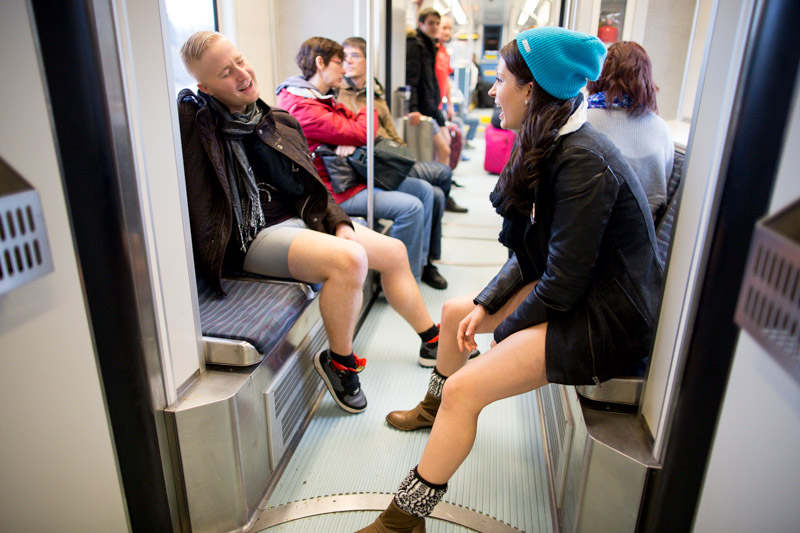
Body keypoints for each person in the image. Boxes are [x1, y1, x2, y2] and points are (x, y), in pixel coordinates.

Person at [356, 27, 664, 532]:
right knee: (456, 313)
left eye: (500, 80)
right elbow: (532, 252)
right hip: (579, 288)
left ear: (531, 89)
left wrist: (503, 334)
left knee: (466, 389)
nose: (492, 90)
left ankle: (403, 521)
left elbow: (562, 281)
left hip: (605, 316)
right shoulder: (550, 142)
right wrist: (486, 305)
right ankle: (433, 410)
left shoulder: (583, 161)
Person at [177, 31, 444, 413]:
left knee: (393, 251)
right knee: (350, 260)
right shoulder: (199, 127)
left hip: (301, 220)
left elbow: (311, 187)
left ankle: (431, 340)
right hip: (252, 239)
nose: (242, 74)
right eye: (225, 73)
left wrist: (340, 224)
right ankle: (341, 364)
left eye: (240, 61)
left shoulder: (276, 121)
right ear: (205, 88)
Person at [276, 37, 445, 296]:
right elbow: (362, 130)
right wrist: (362, 119)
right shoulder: (302, 106)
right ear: (320, 63)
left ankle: (419, 268)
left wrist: (352, 135)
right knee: (412, 206)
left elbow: (357, 127)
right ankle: (402, 283)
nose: (344, 68)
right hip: (334, 190)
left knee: (424, 190)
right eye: (339, 62)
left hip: (352, 175)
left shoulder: (318, 98)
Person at [337, 37, 466, 289]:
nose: (348, 62)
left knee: (437, 194)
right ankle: (413, 270)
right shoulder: (338, 94)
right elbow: (347, 133)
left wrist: (400, 153)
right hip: (367, 165)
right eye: (344, 57)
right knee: (441, 175)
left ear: (367, 61)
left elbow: (392, 133)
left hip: (387, 159)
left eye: (355, 56)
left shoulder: (375, 93)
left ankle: (424, 263)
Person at [586, 41, 674, 218]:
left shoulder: (583, 120)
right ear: (646, 79)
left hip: (592, 227)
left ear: (600, 75)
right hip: (647, 230)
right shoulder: (662, 129)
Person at [406, 7, 452, 166]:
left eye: (437, 23)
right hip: (422, 108)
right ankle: (441, 178)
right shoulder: (416, 45)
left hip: (432, 106)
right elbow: (412, 79)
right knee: (442, 149)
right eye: (431, 23)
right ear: (421, 24)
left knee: (445, 145)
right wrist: (413, 108)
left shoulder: (430, 45)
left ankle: (442, 177)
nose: (435, 27)